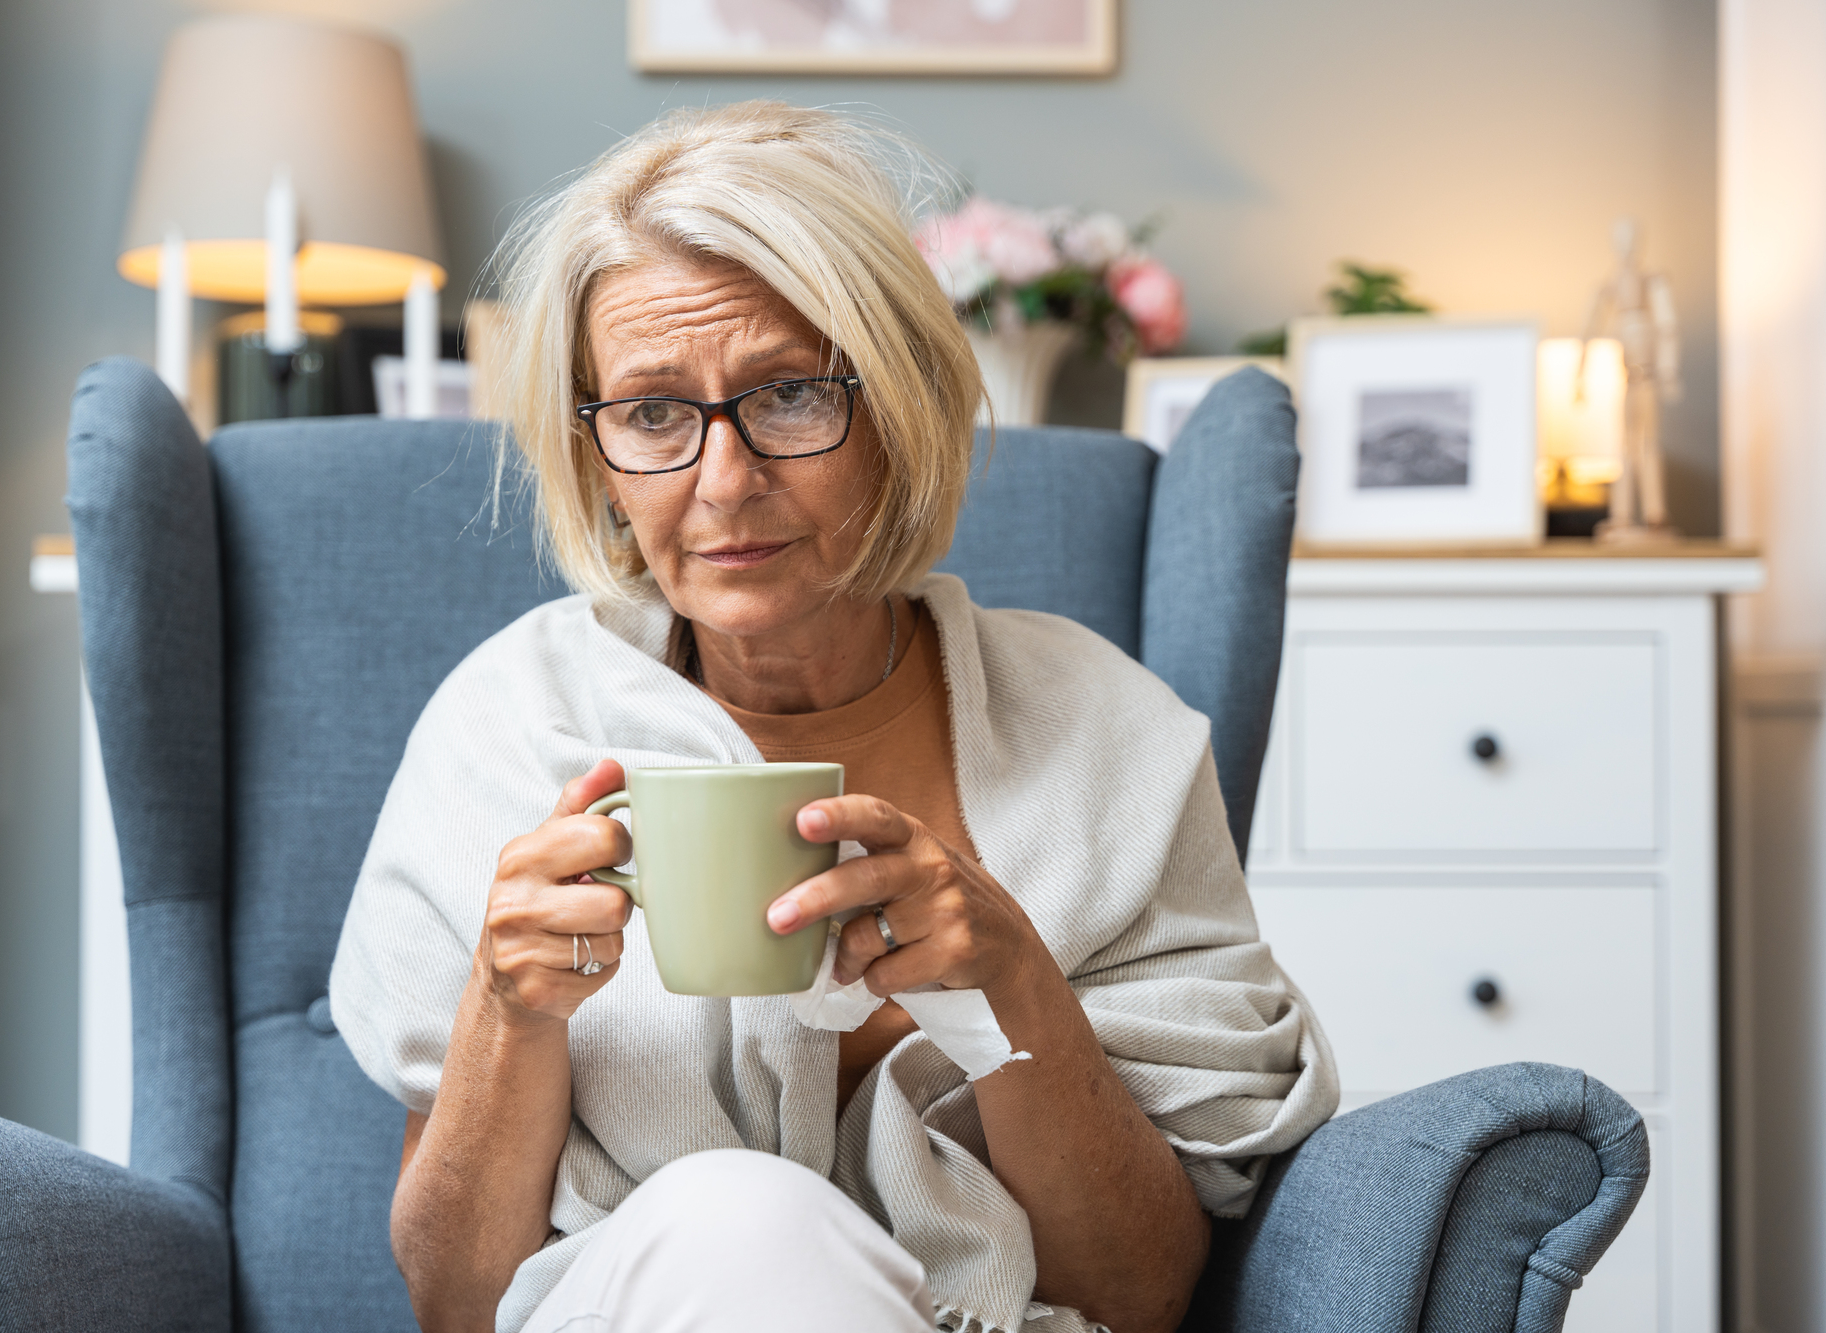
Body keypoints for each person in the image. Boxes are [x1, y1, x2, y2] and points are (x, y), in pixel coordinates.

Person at [330, 100, 1336, 1333]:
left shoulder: (1107, 740)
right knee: (740, 1219)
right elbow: (456, 1301)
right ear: (595, 451)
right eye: (652, 412)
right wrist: (506, 1006)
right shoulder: (508, 726)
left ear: (897, 405)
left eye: (791, 393)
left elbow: (1139, 1292)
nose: (724, 480)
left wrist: (1014, 979)